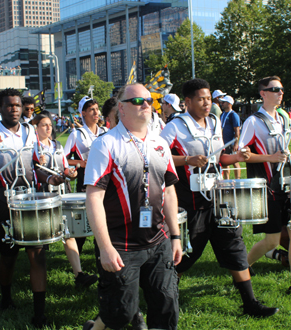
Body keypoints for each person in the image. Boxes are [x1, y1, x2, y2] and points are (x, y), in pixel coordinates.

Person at [161, 78, 278, 317]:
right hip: (191, 201)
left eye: (208, 98)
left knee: (234, 245)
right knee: (185, 254)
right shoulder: (175, 126)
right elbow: (157, 157)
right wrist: (186, 160)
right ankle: (162, 301)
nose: (206, 103)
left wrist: (238, 157)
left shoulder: (214, 123)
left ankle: (250, 303)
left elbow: (220, 158)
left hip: (219, 197)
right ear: (187, 102)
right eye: (201, 99)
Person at [83, 83, 181, 330]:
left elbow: (169, 191)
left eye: (149, 100)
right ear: (121, 108)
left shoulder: (160, 143)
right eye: (138, 101)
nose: (146, 104)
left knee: (167, 306)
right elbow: (94, 197)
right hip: (121, 244)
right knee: (120, 313)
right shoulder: (105, 144)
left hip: (158, 240)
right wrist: (105, 248)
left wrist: (176, 236)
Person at [0, 88, 64, 327]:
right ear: (0, 108)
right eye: (9, 105)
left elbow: (36, 166)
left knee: (37, 255)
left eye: (17, 105)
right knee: (8, 256)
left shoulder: (30, 132)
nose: (14, 109)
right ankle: (5, 297)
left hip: (30, 200)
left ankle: (40, 312)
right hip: (4, 202)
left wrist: (52, 179)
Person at [239, 76, 291, 298]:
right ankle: (241, 269)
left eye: (281, 89)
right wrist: (270, 158)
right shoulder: (253, 122)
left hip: (288, 185)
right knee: (272, 240)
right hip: (269, 188)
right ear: (262, 94)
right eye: (274, 89)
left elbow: (284, 154)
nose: (280, 92)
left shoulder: (282, 120)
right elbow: (242, 154)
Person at [31, 112, 98, 288]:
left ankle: (79, 275)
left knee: (67, 232)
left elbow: (66, 168)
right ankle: (38, 276)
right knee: (41, 237)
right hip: (42, 194)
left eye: (50, 125)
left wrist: (71, 173)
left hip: (61, 192)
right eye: (43, 125)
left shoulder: (57, 146)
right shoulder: (31, 148)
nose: (48, 128)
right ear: (35, 128)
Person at [64, 96, 108, 253]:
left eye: (97, 109)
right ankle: (76, 255)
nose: (96, 113)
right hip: (86, 183)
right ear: (83, 113)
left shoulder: (105, 132)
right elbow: (62, 158)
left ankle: (101, 252)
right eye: (92, 110)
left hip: (105, 182)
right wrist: (79, 163)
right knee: (82, 222)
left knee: (104, 220)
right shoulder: (76, 135)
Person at [219, 95, 241, 179]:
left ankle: (237, 180)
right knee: (225, 161)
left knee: (235, 161)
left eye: (223, 102)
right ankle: (226, 180)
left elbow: (237, 130)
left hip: (231, 142)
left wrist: (236, 143)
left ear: (229, 103)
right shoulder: (222, 114)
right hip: (224, 142)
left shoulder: (233, 115)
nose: (221, 104)